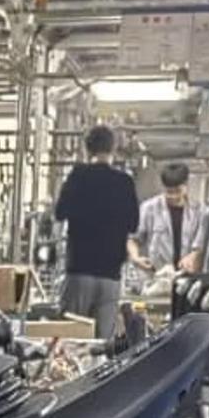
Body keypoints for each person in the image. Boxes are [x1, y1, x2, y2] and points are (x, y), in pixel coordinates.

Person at [54, 124, 140, 339]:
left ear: (87, 149)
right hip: (110, 275)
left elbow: (59, 213)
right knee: (103, 343)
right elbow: (133, 224)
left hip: (79, 271)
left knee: (71, 339)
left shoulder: (78, 176)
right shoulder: (125, 182)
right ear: (114, 149)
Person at [128, 161, 207, 274]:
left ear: (186, 185)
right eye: (169, 192)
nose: (173, 196)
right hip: (157, 274)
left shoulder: (199, 211)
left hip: (188, 274)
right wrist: (136, 258)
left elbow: (201, 244)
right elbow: (132, 239)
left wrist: (193, 256)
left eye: (178, 191)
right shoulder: (149, 208)